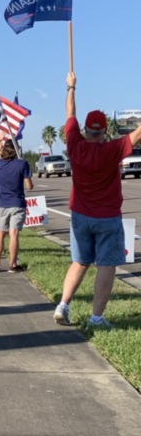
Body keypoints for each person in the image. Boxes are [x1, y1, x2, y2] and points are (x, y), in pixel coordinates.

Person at [53, 72, 141, 329]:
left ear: (85, 130)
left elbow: (70, 114)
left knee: (79, 261)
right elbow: (136, 135)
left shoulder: (74, 144)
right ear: (104, 130)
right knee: (107, 265)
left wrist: (70, 88)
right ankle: (96, 318)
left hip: (80, 215)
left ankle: (63, 305)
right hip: (108, 217)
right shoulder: (111, 149)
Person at [0, 138, 33, 273]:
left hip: (1, 204)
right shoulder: (22, 164)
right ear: (17, 150)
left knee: (0, 233)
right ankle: (13, 265)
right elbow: (29, 186)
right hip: (17, 203)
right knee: (14, 234)